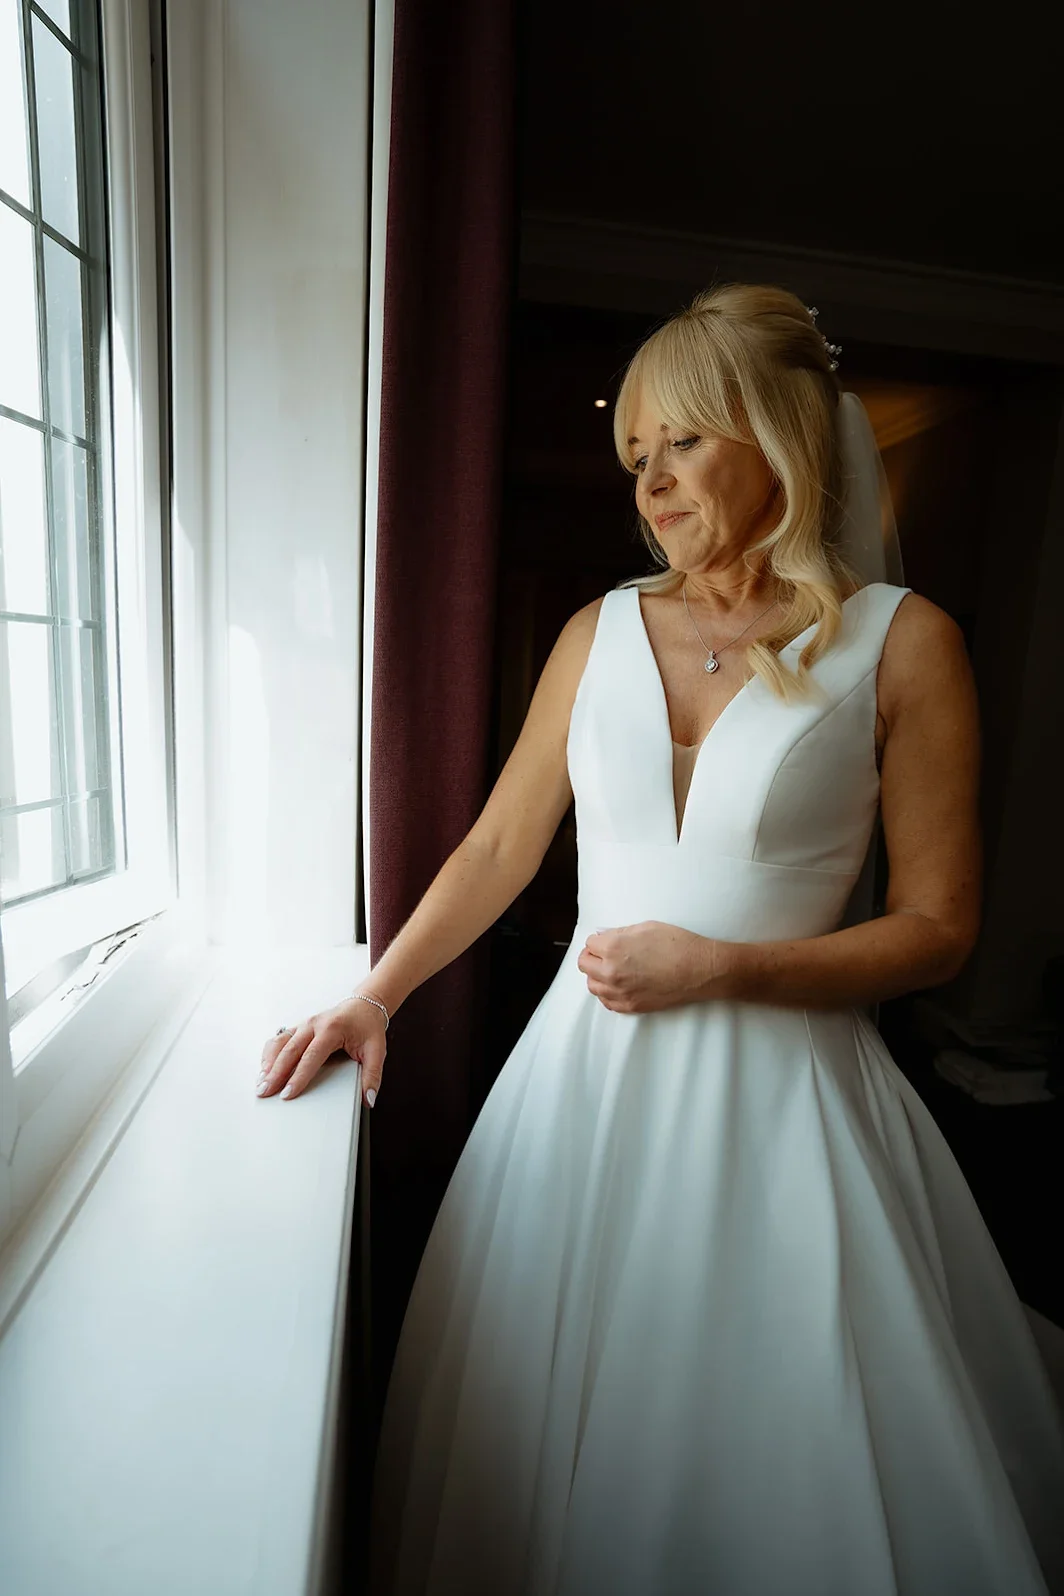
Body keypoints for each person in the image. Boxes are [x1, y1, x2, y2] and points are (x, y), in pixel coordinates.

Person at [257, 284, 1064, 1594]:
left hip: (789, 1107)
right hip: (579, 1090)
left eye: (682, 441)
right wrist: (377, 996)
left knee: (786, 1431)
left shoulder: (907, 645)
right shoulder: (599, 632)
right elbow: (500, 848)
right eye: (637, 453)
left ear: (782, 435)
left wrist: (727, 967)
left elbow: (939, 931)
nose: (652, 482)